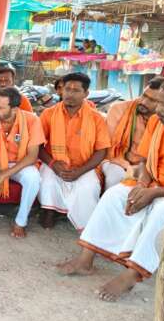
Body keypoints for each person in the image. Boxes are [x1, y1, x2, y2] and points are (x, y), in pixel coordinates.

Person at [57, 80, 164, 302]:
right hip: (153, 184)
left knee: (163, 211)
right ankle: (86, 259)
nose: (157, 109)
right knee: (115, 195)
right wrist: (141, 185)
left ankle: (132, 274)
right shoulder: (158, 122)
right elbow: (145, 162)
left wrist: (153, 193)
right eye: (157, 103)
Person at [37, 73, 111, 231]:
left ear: (86, 93)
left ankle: (85, 224)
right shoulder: (48, 114)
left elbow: (101, 150)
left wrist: (80, 171)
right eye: (67, 89)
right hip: (55, 162)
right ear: (61, 91)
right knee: (47, 180)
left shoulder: (96, 118)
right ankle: (49, 211)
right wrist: (53, 164)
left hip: (85, 165)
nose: (70, 94)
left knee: (89, 187)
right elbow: (38, 146)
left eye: (76, 90)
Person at [0, 87, 45, 238]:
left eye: (0, 108)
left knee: (33, 177)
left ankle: (20, 222)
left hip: (20, 163)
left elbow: (32, 156)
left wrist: (3, 175)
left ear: (14, 109)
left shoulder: (32, 120)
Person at [102, 77, 164, 190]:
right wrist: (128, 167)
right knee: (115, 177)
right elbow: (108, 148)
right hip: (116, 161)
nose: (143, 102)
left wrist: (141, 170)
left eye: (152, 100)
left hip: (149, 168)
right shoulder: (119, 109)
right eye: (144, 95)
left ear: (163, 103)